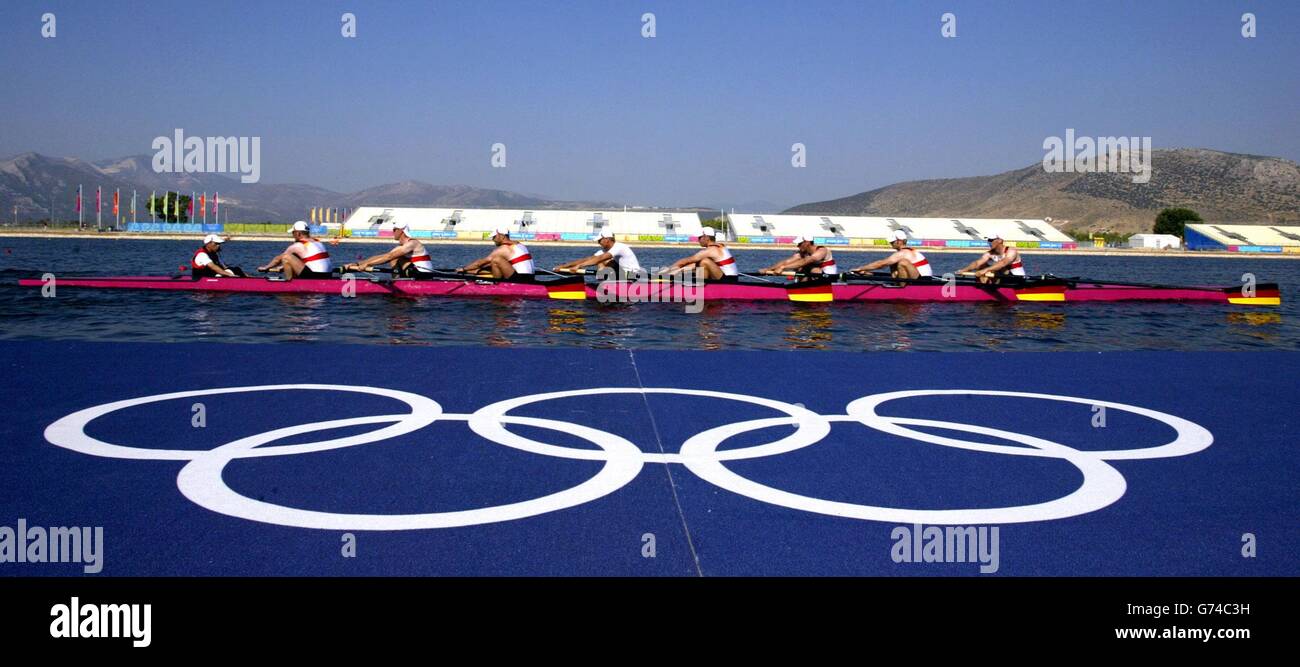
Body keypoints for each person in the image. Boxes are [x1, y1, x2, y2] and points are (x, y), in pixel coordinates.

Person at [344, 220, 436, 277]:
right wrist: (358, 263)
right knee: (393, 258)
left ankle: (396, 283)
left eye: (394, 229)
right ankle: (396, 281)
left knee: (394, 258)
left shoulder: (412, 243)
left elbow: (389, 257)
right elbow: (383, 256)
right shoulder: (401, 247)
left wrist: (367, 264)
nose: (393, 232)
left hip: (423, 274)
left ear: (401, 230)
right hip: (415, 272)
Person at [258, 221, 333, 279]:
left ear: (298, 234)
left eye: (293, 233)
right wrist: (282, 267)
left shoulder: (297, 246)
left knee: (286, 257)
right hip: (328, 275)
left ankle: (290, 283)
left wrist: (266, 267)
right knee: (291, 258)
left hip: (316, 276)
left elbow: (278, 259)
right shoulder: (317, 242)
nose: (292, 235)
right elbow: (308, 260)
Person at [554, 230, 642, 278]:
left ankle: (605, 285)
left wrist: (579, 266)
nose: (598, 242)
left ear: (607, 239)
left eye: (600, 240)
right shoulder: (605, 249)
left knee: (601, 261)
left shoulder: (619, 247)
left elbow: (599, 259)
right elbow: (587, 259)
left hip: (633, 276)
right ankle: (604, 282)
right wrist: (564, 266)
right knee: (600, 261)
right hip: (622, 275)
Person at [850, 230, 932, 279]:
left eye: (892, 241)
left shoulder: (904, 253)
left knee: (902, 262)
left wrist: (860, 268)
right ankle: (898, 285)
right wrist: (868, 273)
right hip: (916, 277)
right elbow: (886, 264)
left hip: (924, 280)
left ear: (899, 241)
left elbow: (881, 264)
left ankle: (901, 290)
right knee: (892, 262)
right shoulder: (904, 252)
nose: (890, 243)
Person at [458, 228, 535, 279]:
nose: (493, 239)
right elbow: (485, 265)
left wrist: (464, 268)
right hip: (530, 277)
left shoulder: (503, 249)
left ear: (502, 236)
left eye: (494, 237)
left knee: (496, 260)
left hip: (521, 279)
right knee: (491, 263)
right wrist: (470, 270)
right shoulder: (518, 244)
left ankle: (496, 283)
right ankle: (473, 272)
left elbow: (480, 263)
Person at [667, 227, 738, 280]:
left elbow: (685, 261)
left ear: (706, 237)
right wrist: (677, 270)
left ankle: (702, 287)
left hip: (729, 280)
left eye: (700, 237)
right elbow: (694, 264)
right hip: (729, 277)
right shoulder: (720, 245)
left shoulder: (711, 250)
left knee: (704, 261)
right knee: (697, 266)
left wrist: (670, 270)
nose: (698, 240)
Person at [957, 234, 1026, 283]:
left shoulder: (1011, 251)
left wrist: (985, 270)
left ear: (999, 241)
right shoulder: (989, 253)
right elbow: (977, 263)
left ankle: (987, 285)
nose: (988, 242)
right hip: (1002, 279)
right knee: (981, 265)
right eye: (987, 240)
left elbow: (1003, 263)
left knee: (997, 268)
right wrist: (964, 270)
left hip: (1017, 280)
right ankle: (984, 286)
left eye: (990, 240)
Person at [759, 236, 838, 277]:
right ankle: (800, 287)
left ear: (807, 242)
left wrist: (782, 268)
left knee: (811, 268)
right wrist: (768, 269)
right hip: (816, 277)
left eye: (799, 244)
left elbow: (804, 261)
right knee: (798, 267)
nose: (798, 246)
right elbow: (786, 262)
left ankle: (805, 288)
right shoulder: (802, 253)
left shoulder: (821, 251)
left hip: (829, 277)